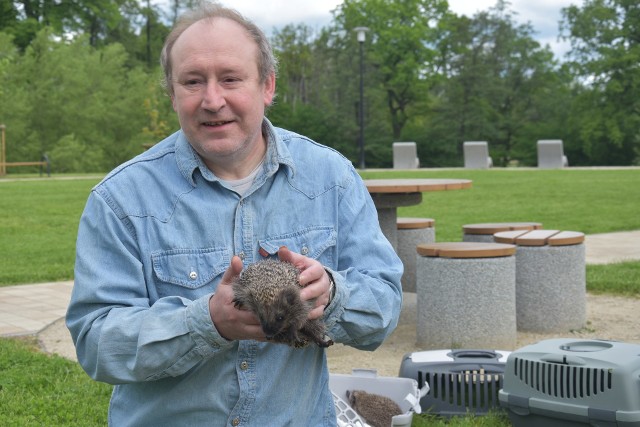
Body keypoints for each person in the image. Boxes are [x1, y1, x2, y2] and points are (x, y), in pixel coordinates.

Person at [66, 2, 402, 426]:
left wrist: (331, 294)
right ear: (172, 93)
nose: (212, 100)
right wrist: (207, 322)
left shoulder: (330, 177)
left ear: (267, 86)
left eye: (230, 79)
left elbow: (384, 310)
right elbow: (97, 345)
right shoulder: (120, 199)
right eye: (192, 81)